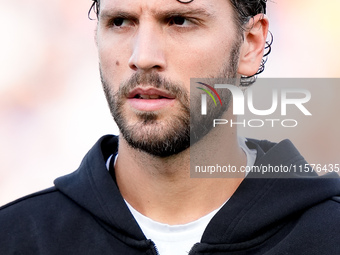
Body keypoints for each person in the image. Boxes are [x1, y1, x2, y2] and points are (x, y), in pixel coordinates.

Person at [1, 0, 340, 254]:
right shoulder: (18, 238)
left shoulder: (328, 235)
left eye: (179, 20)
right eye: (120, 22)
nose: (143, 56)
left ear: (250, 44)